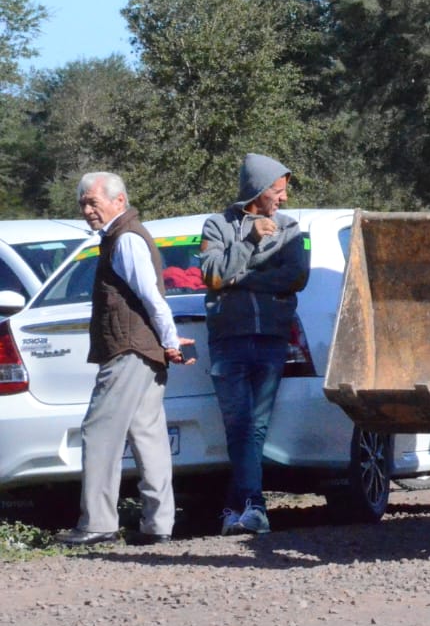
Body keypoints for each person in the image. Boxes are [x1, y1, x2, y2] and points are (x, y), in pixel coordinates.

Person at [56, 172, 192, 547]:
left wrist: (169, 338)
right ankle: (158, 524)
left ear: (119, 201)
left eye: (92, 202)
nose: (86, 210)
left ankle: (98, 523)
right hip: (143, 350)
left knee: (99, 432)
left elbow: (150, 295)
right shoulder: (123, 236)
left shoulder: (126, 238)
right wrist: (167, 340)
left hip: (128, 352)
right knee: (148, 435)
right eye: (83, 203)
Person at [198, 154, 308, 536]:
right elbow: (212, 275)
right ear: (258, 191)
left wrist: (240, 279)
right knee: (241, 425)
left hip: (272, 340)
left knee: (254, 426)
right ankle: (253, 506)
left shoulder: (291, 228)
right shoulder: (217, 225)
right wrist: (248, 241)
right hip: (229, 341)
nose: (283, 199)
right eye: (277, 191)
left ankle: (238, 508)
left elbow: (295, 277)